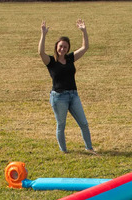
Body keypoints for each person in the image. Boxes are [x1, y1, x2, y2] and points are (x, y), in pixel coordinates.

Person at [39, 19, 97, 154]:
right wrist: (43, 34)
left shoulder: (70, 58)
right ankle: (64, 150)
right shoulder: (51, 61)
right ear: (56, 47)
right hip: (59, 97)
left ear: (68, 48)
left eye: (65, 47)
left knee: (84, 123)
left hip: (73, 95)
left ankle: (89, 148)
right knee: (61, 125)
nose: (62, 49)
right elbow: (41, 53)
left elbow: (85, 48)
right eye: (60, 46)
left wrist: (84, 32)